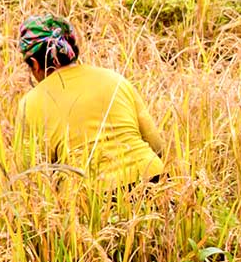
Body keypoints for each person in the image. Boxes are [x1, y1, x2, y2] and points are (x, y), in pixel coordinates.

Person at [15, 15, 165, 192]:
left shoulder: (30, 103)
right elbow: (156, 145)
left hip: (91, 195)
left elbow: (30, 175)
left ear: (34, 63)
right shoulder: (115, 79)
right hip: (152, 179)